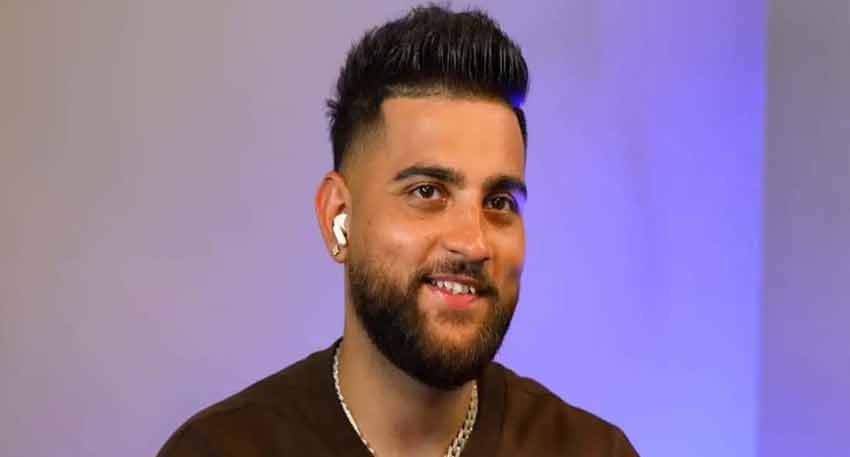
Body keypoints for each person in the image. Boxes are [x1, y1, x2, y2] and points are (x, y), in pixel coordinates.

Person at [158, 5, 639, 456]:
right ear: (337, 217)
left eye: (498, 202)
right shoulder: (222, 449)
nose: (472, 242)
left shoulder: (588, 450)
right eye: (428, 192)